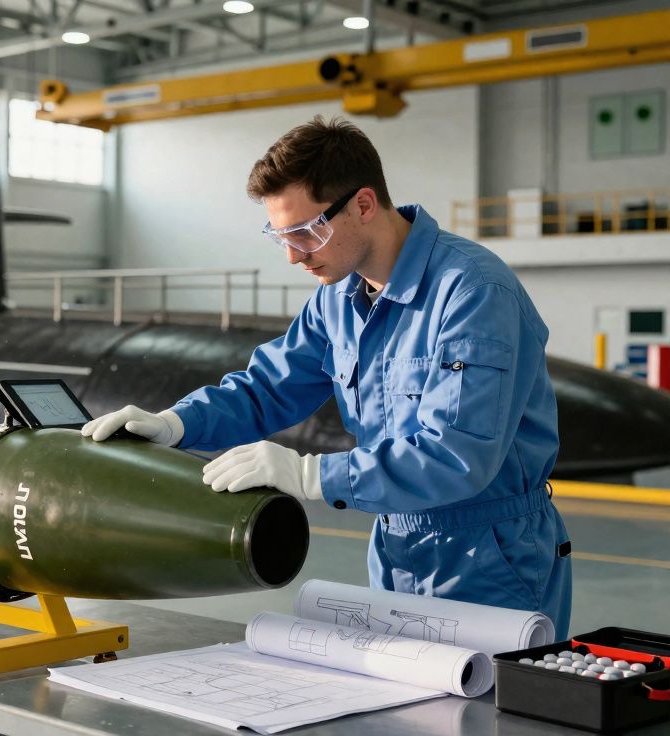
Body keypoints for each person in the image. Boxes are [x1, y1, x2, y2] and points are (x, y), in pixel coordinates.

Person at [82, 116, 573, 637]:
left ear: (363, 204)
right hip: (394, 545)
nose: (294, 255)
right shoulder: (339, 298)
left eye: (305, 231)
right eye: (280, 236)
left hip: (491, 558)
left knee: (494, 713)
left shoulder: (472, 292)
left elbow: (457, 455)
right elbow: (269, 387)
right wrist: (175, 425)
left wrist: (313, 476)